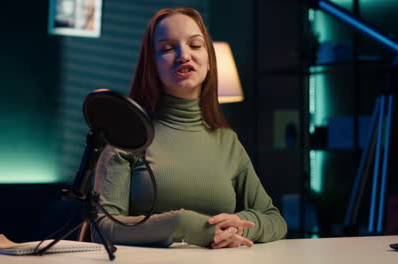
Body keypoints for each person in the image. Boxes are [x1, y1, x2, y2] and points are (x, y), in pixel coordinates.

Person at [93, 7, 287, 249]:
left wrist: (240, 223)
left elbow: (275, 220)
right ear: (152, 66)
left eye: (195, 45)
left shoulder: (226, 140)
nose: (183, 55)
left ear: (209, 62)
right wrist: (182, 225)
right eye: (166, 48)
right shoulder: (126, 137)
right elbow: (102, 227)